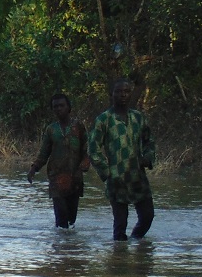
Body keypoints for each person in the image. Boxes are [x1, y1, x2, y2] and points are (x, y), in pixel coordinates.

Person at [88, 77, 155, 241]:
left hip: (137, 177)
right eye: (118, 91)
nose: (123, 95)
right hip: (116, 179)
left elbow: (149, 141)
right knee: (120, 224)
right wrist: (107, 172)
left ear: (131, 94)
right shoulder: (104, 119)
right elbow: (93, 149)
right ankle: (118, 260)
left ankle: (136, 246)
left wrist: (147, 158)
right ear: (111, 94)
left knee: (147, 217)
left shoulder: (139, 118)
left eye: (126, 91)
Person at [27, 93, 89, 228]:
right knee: (61, 218)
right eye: (55, 107)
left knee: (71, 219)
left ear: (69, 108)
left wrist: (85, 162)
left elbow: (87, 148)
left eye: (61, 106)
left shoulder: (78, 126)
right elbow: (44, 152)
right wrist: (34, 168)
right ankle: (60, 246)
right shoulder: (51, 129)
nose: (58, 109)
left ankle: (70, 247)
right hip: (56, 178)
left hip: (75, 177)